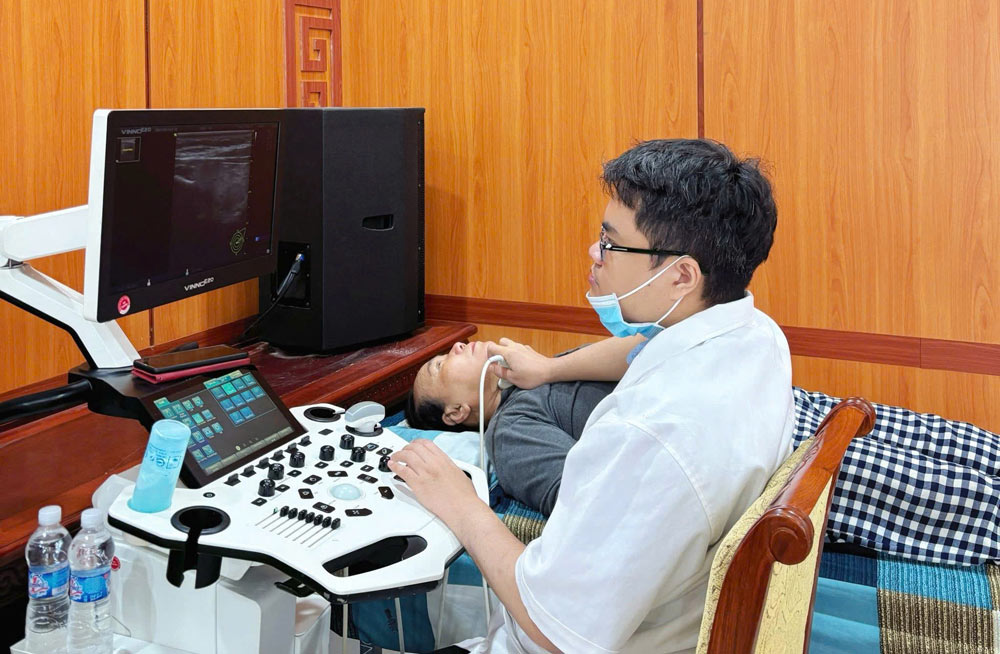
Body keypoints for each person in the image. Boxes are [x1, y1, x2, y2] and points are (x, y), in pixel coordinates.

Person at [390, 139, 794, 654]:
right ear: (457, 412)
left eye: (611, 242)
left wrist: (460, 502)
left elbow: (555, 630)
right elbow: (633, 349)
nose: (594, 254)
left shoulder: (646, 437)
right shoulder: (756, 336)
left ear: (681, 275)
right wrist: (548, 368)